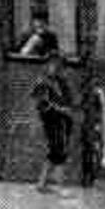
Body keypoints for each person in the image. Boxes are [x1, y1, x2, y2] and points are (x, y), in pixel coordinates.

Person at [32, 50, 74, 194]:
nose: (55, 67)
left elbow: (69, 99)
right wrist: (62, 110)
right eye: (52, 64)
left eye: (59, 65)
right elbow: (43, 104)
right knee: (59, 149)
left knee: (56, 150)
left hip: (64, 120)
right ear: (47, 65)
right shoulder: (42, 83)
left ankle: (42, 183)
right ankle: (60, 185)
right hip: (51, 120)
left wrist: (67, 109)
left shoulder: (62, 82)